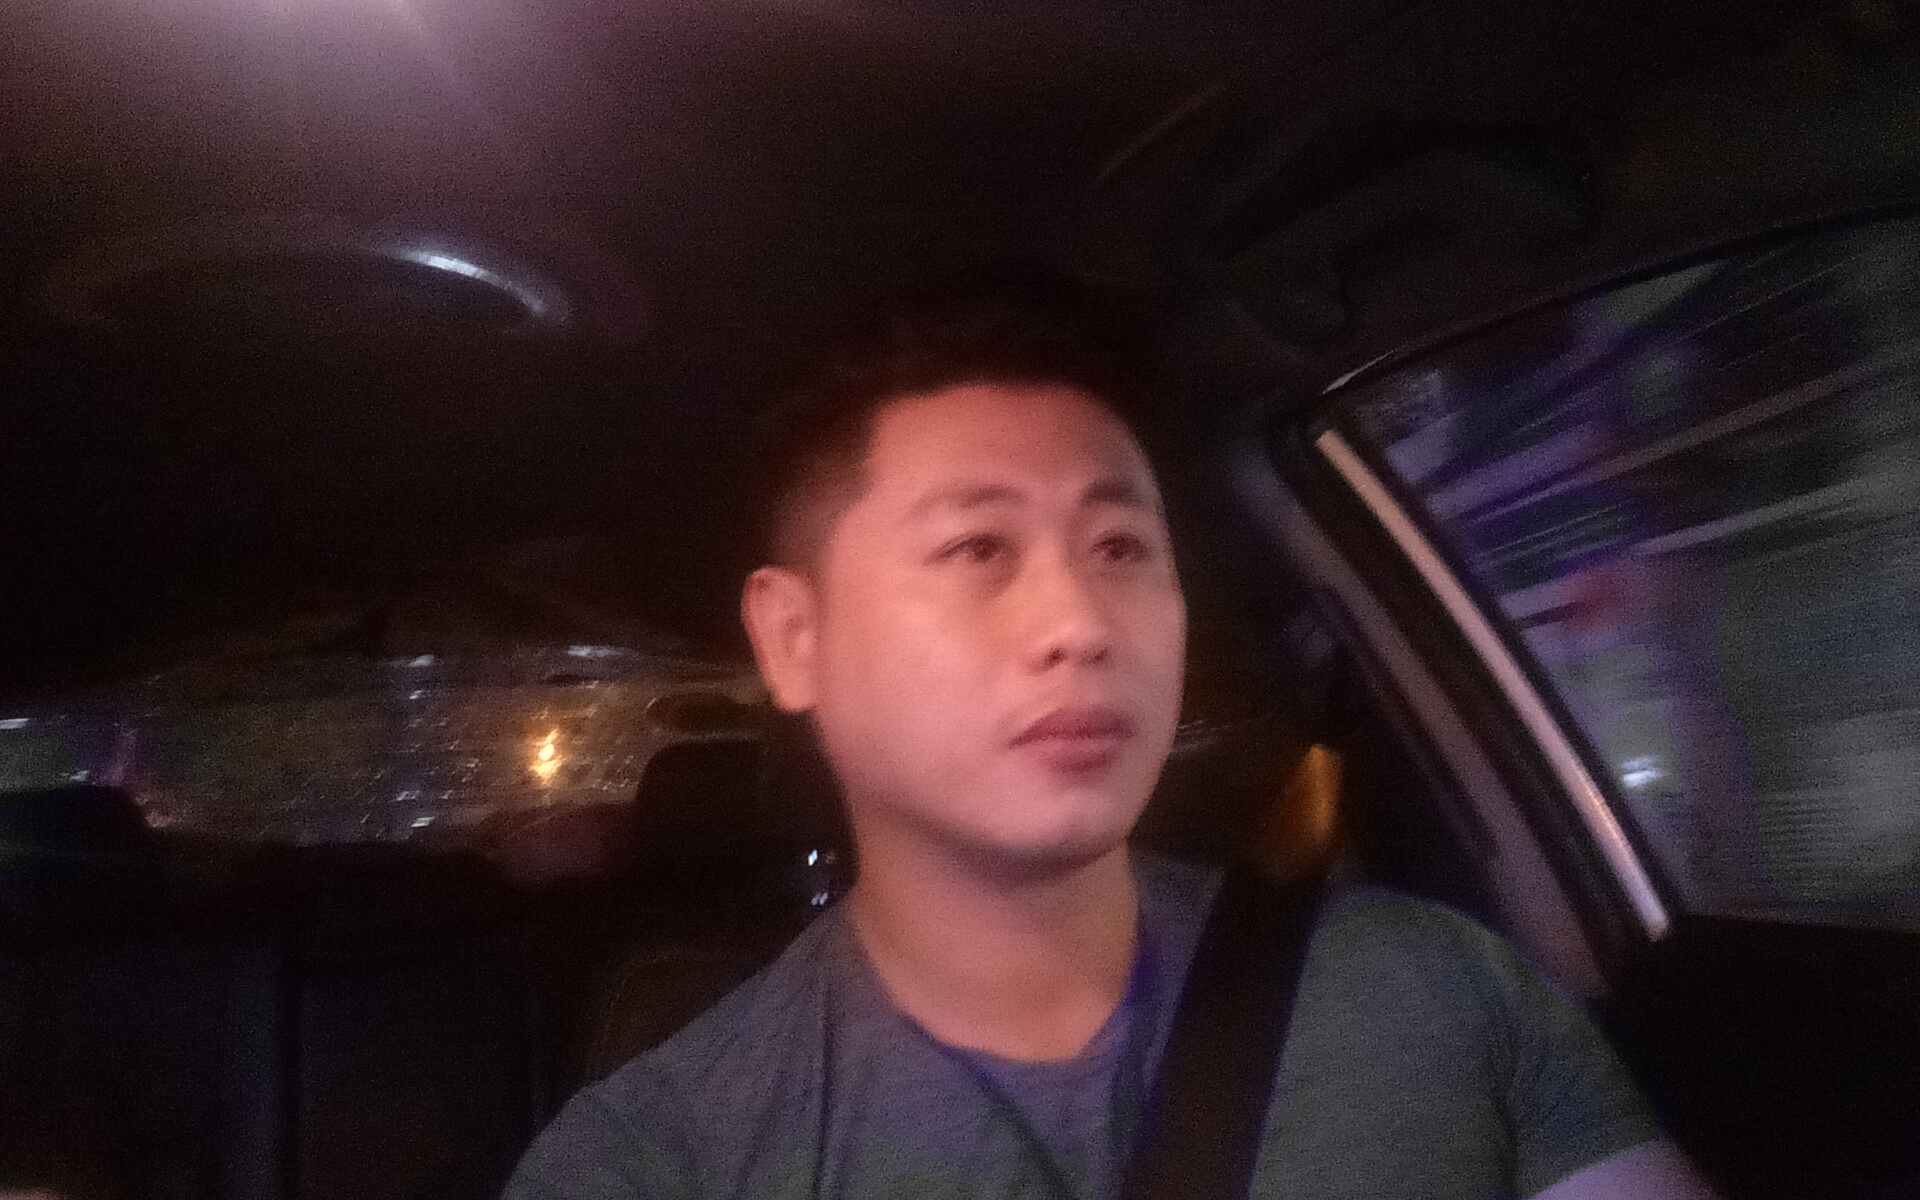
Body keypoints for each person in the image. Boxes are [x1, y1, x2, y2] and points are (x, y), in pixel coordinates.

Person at [504, 278, 1719, 1199]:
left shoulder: (1439, 993)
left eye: (1122, 548)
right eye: (979, 548)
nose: (1082, 623)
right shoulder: (657, 1159)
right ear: (794, 637)